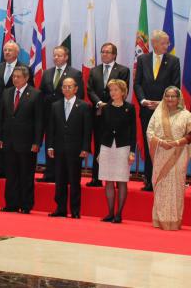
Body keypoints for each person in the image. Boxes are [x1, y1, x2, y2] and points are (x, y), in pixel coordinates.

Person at [134, 30, 181, 191]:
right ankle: (149, 179)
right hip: (147, 110)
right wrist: (143, 101)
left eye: (167, 43)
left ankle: (163, 180)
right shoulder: (142, 59)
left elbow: (175, 86)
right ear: (154, 43)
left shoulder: (174, 61)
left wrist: (163, 103)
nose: (167, 46)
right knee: (150, 146)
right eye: (164, 43)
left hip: (166, 111)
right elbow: (137, 83)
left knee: (164, 147)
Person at [146, 86, 191, 230]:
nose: (170, 99)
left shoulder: (186, 115)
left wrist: (177, 143)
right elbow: (149, 132)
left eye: (173, 96)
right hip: (161, 152)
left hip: (178, 154)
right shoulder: (157, 114)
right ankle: (159, 219)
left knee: (176, 186)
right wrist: (161, 142)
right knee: (161, 185)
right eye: (167, 96)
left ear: (179, 98)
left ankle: (174, 220)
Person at [0, 65, 42, 213]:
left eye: (18, 77)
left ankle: (26, 205)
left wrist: (37, 142)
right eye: (14, 76)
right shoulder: (6, 93)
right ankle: (11, 203)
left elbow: (39, 121)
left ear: (26, 78)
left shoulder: (35, 94)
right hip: (9, 141)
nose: (15, 79)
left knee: (26, 175)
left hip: (27, 143)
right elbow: (1, 117)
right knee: (11, 175)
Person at [47, 76, 91, 218]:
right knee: (60, 180)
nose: (66, 89)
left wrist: (85, 148)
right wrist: (50, 146)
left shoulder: (83, 106)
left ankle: (75, 210)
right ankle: (60, 209)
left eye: (69, 86)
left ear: (76, 89)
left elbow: (87, 130)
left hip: (76, 149)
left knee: (74, 181)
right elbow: (51, 128)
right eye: (64, 87)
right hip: (59, 148)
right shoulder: (55, 106)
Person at [87, 43, 130, 187]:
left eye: (107, 52)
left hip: (116, 114)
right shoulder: (94, 70)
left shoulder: (123, 70)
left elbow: (123, 90)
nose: (104, 54)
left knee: (116, 145)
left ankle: (117, 178)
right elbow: (90, 90)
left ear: (114, 55)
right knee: (99, 144)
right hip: (98, 113)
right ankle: (96, 178)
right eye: (102, 51)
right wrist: (99, 103)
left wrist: (109, 106)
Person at [39, 46, 84, 183]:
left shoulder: (75, 73)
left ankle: (66, 176)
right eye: (54, 55)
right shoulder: (47, 72)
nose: (56, 58)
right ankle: (50, 174)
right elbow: (42, 93)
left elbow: (80, 95)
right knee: (50, 143)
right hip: (49, 114)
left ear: (66, 57)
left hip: (67, 115)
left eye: (59, 55)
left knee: (65, 145)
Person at [97, 79, 137, 223]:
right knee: (108, 180)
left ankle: (119, 214)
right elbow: (101, 130)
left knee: (121, 180)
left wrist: (132, 151)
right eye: (111, 90)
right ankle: (110, 213)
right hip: (107, 147)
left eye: (115, 90)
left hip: (123, 147)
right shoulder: (106, 108)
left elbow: (133, 131)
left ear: (123, 92)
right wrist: (100, 151)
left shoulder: (129, 108)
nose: (112, 93)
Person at [0, 41, 24, 179]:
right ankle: (2, 170)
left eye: (10, 50)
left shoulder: (24, 68)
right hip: (0, 110)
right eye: (5, 50)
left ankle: (14, 170)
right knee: (0, 139)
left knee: (14, 140)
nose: (6, 52)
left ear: (17, 53)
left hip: (16, 110)